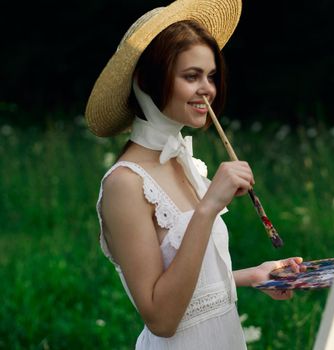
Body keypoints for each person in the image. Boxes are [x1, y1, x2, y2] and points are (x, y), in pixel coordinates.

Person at [85, 0, 304, 348]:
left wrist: (252, 276)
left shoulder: (187, 163)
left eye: (211, 76)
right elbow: (163, 318)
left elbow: (193, 286)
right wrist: (208, 208)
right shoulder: (124, 184)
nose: (208, 89)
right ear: (147, 80)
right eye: (192, 76)